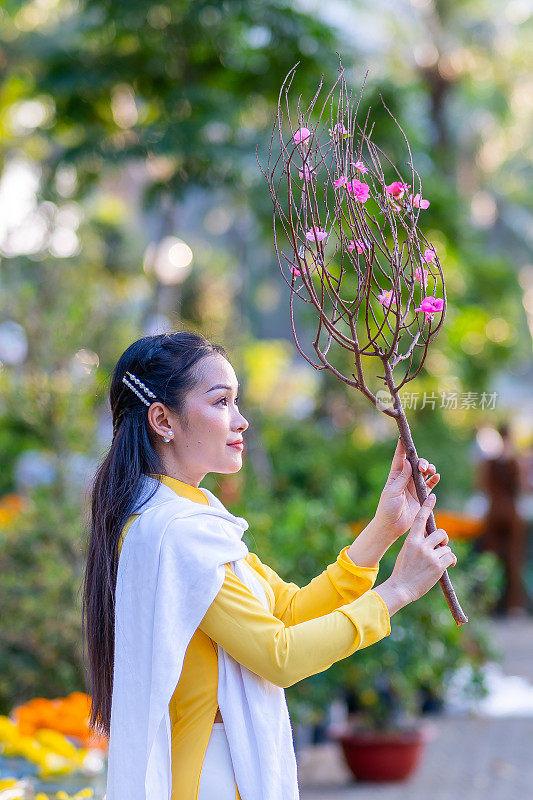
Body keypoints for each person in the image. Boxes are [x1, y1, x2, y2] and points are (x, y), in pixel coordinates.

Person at [82, 330, 457, 800]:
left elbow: (289, 609)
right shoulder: (179, 533)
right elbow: (280, 656)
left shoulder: (183, 520)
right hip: (212, 782)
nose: (241, 421)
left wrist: (385, 527)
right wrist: (398, 590)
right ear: (163, 420)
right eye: (221, 402)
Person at [477, 423, 529, 616]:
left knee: (491, 559)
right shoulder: (515, 462)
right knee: (514, 560)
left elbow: (482, 486)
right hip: (512, 514)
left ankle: (488, 606)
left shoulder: (489, 462)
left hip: (493, 512)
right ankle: (513, 607)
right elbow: (522, 487)